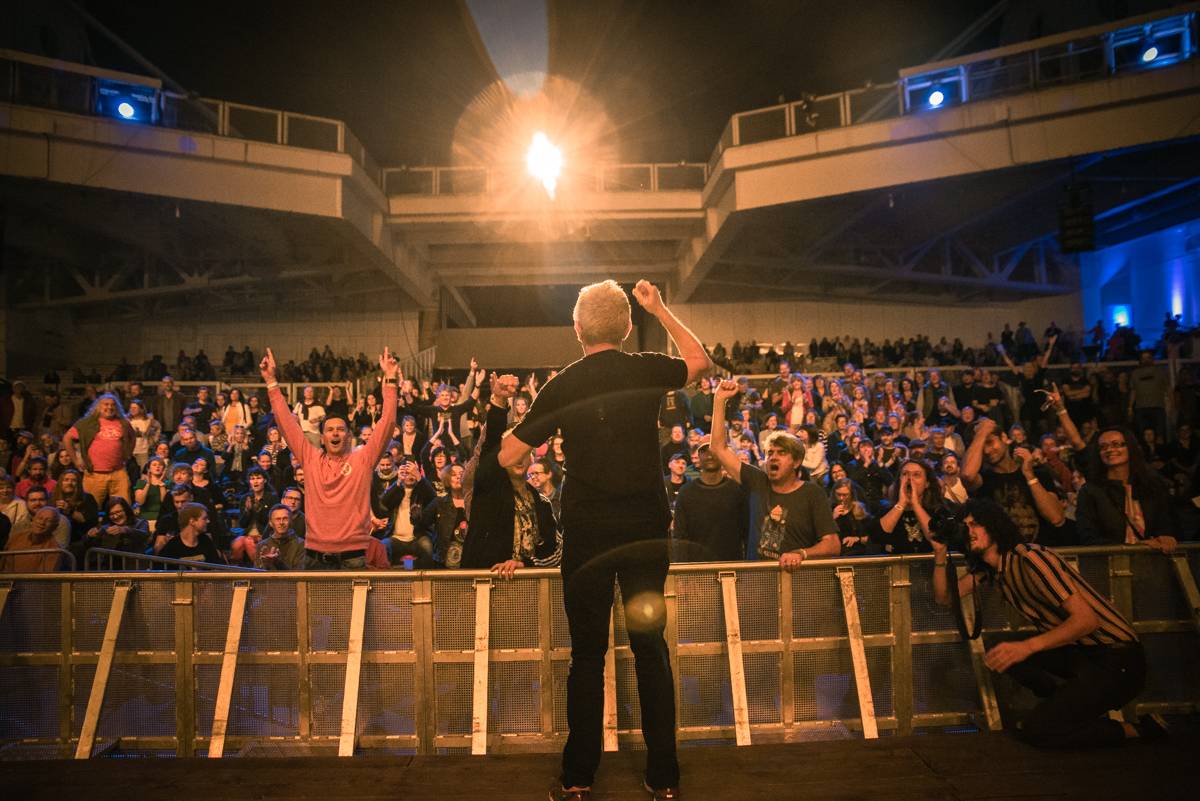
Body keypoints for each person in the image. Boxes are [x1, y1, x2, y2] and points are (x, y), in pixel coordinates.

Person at [497, 279, 710, 801]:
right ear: (628, 327)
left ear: (577, 329)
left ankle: (578, 776)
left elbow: (507, 456)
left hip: (589, 534)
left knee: (588, 654)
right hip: (643, 531)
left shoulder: (565, 383)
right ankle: (664, 777)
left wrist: (506, 420)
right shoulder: (644, 369)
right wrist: (660, 307)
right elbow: (699, 362)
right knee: (650, 648)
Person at [929, 498, 1162, 748]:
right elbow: (945, 598)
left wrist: (1028, 647)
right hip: (1083, 655)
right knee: (1001, 651)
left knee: (1039, 730)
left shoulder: (1030, 558)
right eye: (964, 527)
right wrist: (940, 554)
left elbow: (1087, 620)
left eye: (975, 524)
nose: (969, 532)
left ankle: (1140, 730)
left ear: (994, 526)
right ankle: (1064, 705)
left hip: (1118, 660)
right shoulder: (993, 569)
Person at [261, 346, 398, 569]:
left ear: (349, 435)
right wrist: (271, 382)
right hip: (315, 558)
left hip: (353, 558)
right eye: (330, 429)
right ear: (322, 438)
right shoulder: (310, 458)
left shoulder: (362, 459)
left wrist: (390, 380)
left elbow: (387, 423)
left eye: (341, 429)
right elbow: (286, 424)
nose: (335, 432)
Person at [710, 378, 840, 568]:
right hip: (758, 584)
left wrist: (802, 554)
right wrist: (719, 400)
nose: (773, 458)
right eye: (770, 453)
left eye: (781, 453)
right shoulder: (757, 481)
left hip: (796, 586)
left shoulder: (812, 494)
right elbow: (718, 448)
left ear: (796, 462)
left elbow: (833, 544)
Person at [461, 374, 561, 575]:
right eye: (510, 452)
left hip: (526, 589)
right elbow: (488, 448)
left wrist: (526, 564)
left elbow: (557, 551)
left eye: (523, 453)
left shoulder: (541, 502)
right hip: (483, 584)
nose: (518, 457)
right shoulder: (487, 487)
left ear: (530, 459)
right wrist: (499, 402)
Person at [961, 417, 1069, 546]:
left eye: (990, 442)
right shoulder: (982, 480)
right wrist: (982, 432)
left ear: (1004, 438)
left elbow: (1056, 518)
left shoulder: (1038, 473)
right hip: (1002, 561)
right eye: (981, 446)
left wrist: (1029, 476)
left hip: (1037, 557)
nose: (986, 451)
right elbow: (967, 475)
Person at [1075, 427, 1179, 551]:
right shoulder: (1090, 491)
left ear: (1131, 448)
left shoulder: (1153, 486)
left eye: (1116, 444)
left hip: (1154, 561)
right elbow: (1088, 537)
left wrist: (1165, 539)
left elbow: (1167, 525)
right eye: (1103, 447)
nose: (1109, 450)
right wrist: (1136, 547)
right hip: (1110, 563)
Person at [672, 441, 749, 562]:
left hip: (731, 568)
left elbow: (747, 534)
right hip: (697, 569)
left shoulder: (737, 491)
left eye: (714, 449)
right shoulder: (686, 493)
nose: (710, 455)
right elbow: (680, 538)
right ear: (698, 456)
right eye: (704, 451)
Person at [61, 394, 135, 508]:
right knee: (89, 510)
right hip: (94, 474)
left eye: (113, 405)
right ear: (98, 407)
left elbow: (132, 437)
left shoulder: (123, 423)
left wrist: (128, 453)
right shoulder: (87, 423)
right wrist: (76, 460)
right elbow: (67, 438)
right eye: (106, 404)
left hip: (118, 473)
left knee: (124, 509)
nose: (109, 407)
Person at [158, 502, 226, 565]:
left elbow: (217, 565)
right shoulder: (173, 546)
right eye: (204, 518)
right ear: (192, 521)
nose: (208, 521)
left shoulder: (205, 540)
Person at [2, 507, 66, 572]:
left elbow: (44, 579)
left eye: (48, 521)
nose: (42, 523)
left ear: (55, 527)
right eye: (40, 518)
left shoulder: (54, 550)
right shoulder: (16, 538)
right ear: (33, 519)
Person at [254, 504, 307, 570]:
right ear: (270, 523)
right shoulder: (261, 545)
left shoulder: (301, 544)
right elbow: (257, 575)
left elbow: (298, 575)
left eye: (285, 519)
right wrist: (265, 565)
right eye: (278, 519)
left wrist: (278, 563)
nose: (281, 522)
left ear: (290, 521)